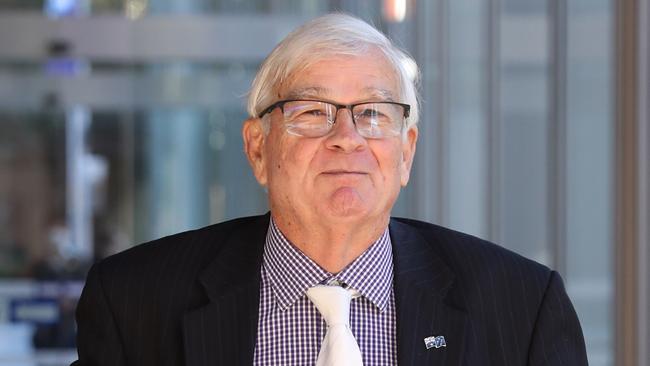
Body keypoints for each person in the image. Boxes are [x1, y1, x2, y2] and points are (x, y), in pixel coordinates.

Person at [72, 13, 588, 366]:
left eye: (373, 113)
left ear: (405, 152)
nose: (347, 138)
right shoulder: (134, 303)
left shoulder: (522, 307)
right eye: (313, 112)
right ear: (257, 149)